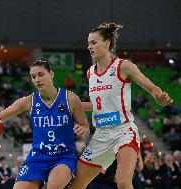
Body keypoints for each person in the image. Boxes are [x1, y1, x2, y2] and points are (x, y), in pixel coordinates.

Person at [70, 22, 173, 189]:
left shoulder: (123, 66)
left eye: (93, 42)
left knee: (123, 182)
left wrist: (159, 96)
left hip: (123, 132)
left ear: (107, 43)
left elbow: (152, 88)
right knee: (76, 184)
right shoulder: (90, 73)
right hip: (101, 136)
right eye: (88, 43)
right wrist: (72, 105)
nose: (89, 46)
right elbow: (98, 105)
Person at [0, 58, 90, 189]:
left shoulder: (70, 98)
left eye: (41, 74)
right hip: (38, 155)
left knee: (54, 186)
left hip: (63, 155)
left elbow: (84, 123)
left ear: (51, 74)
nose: (37, 79)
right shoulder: (28, 101)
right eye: (33, 77)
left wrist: (83, 127)